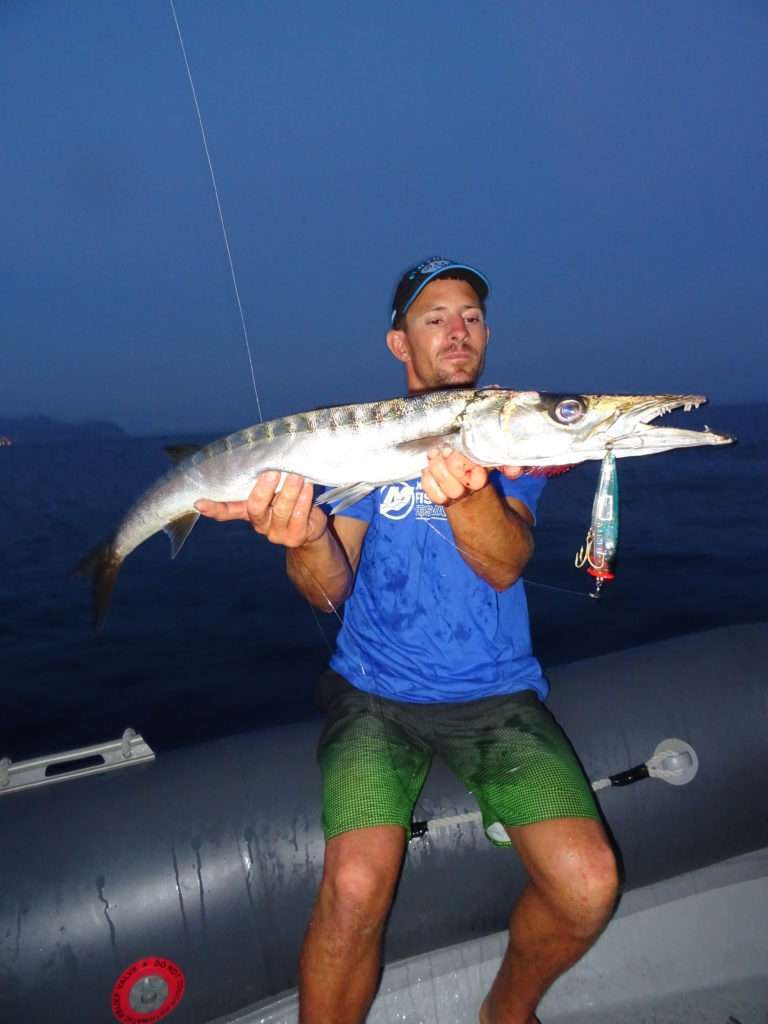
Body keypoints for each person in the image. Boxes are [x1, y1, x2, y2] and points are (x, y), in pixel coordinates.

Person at [195, 257, 619, 1024]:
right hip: (375, 697)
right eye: (435, 318)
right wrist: (307, 536)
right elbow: (328, 587)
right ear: (399, 344)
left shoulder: (506, 435)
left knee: (589, 885)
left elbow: (503, 563)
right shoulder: (352, 446)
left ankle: (507, 1013)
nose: (458, 332)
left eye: (471, 317)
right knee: (354, 890)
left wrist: (471, 491)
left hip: (497, 698)